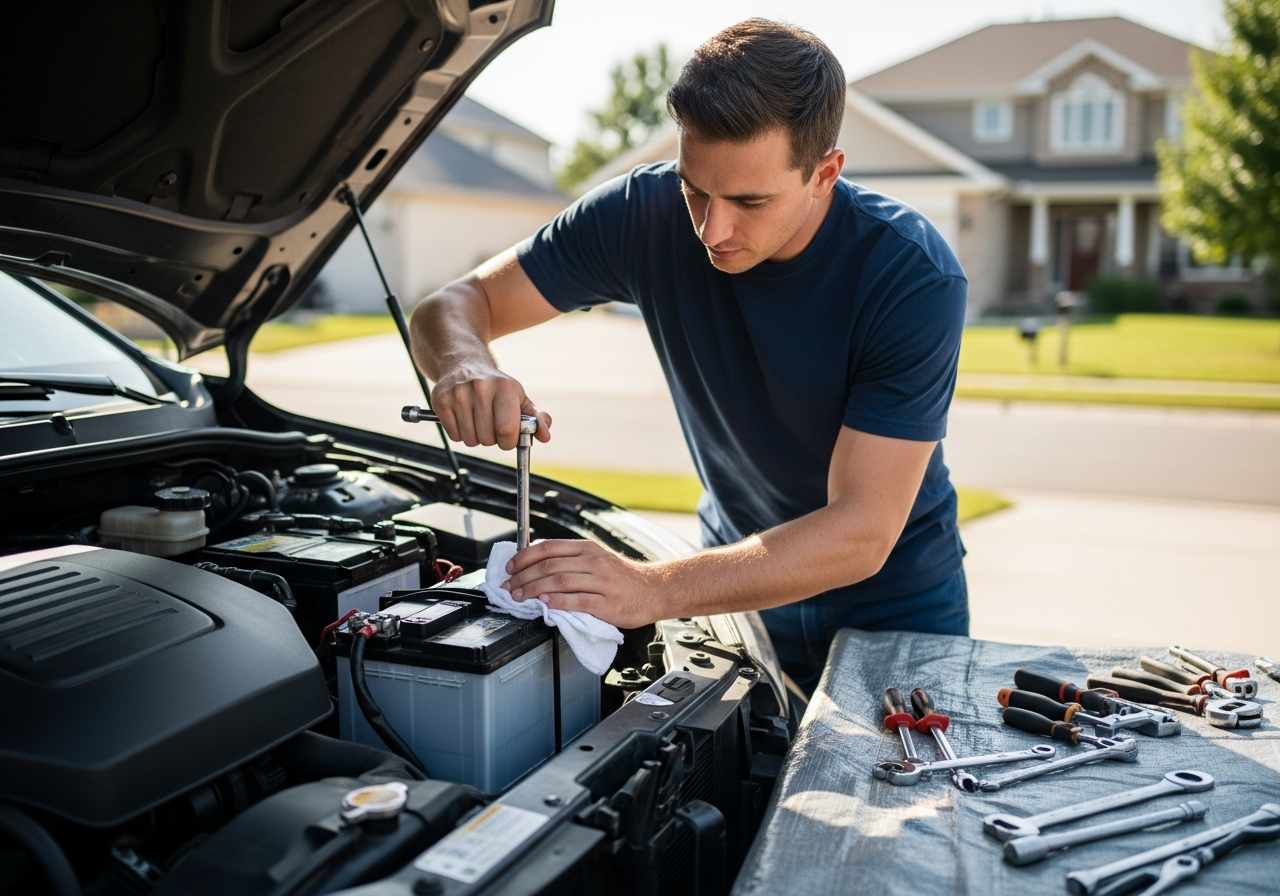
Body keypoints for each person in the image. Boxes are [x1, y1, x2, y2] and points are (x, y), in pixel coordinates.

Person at [410, 19, 968, 694]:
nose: (712, 229)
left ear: (824, 174)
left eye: (750, 201)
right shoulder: (639, 216)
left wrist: (652, 588)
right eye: (695, 189)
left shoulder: (910, 275)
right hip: (733, 583)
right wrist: (465, 362)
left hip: (896, 604)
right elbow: (453, 304)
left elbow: (860, 529)